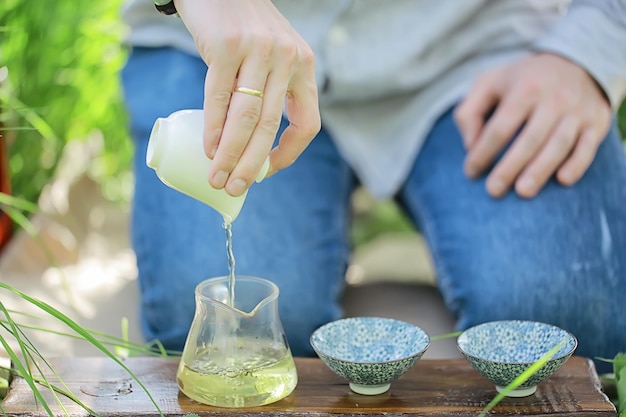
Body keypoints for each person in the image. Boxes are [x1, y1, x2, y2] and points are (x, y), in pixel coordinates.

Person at [120, 0, 626, 373]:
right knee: (239, 336)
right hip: (227, 46)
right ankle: (308, 222)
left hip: (473, 47)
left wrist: (591, 47)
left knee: (571, 327)